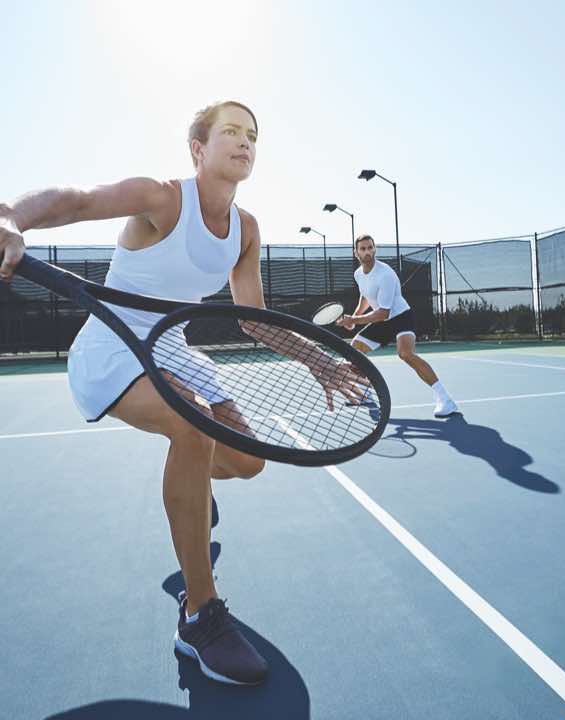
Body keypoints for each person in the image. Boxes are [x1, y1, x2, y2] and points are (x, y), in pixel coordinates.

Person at [0, 101, 360, 685]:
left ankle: (188, 493)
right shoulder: (164, 198)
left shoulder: (245, 229)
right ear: (199, 148)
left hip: (172, 350)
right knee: (193, 425)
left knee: (247, 460)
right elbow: (78, 198)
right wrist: (9, 214)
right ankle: (199, 615)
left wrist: (314, 357)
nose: (244, 143)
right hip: (114, 345)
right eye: (230, 132)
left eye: (252, 136)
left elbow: (254, 319)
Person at [337, 234, 459, 418]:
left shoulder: (385, 274)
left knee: (406, 354)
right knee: (354, 352)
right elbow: (365, 297)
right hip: (382, 321)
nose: (368, 251)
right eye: (363, 249)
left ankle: (445, 399)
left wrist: (353, 321)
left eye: (370, 247)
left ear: (374, 249)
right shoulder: (358, 274)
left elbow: (383, 313)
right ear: (356, 253)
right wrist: (355, 317)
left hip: (401, 316)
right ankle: (365, 394)